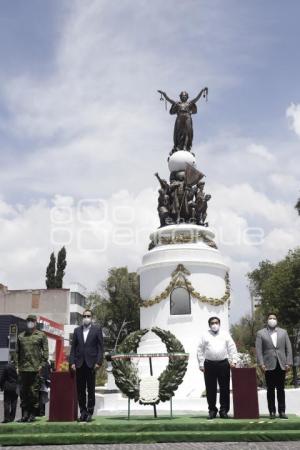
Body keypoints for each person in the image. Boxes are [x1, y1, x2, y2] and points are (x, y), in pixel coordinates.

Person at [197, 316, 238, 419]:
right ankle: (212, 410)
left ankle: (223, 411)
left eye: (216, 322)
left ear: (219, 324)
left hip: (223, 364)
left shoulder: (225, 334)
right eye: (212, 323)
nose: (214, 324)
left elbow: (232, 347)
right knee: (210, 388)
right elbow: (200, 350)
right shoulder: (204, 335)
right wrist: (201, 364)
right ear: (209, 325)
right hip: (209, 364)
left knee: (224, 388)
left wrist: (234, 361)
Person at [256, 313, 293, 419]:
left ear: (277, 320)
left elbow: (288, 348)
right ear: (267, 320)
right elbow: (259, 350)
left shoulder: (283, 332)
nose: (272, 320)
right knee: (270, 389)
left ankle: (282, 411)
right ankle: (272, 411)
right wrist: (261, 364)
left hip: (281, 364)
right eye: (270, 318)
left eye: (274, 318)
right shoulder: (261, 333)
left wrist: (289, 362)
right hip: (268, 365)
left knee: (281, 389)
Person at [69, 309, 104, 422]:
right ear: (82, 317)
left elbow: (100, 348)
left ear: (91, 317)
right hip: (79, 364)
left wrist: (99, 362)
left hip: (91, 364)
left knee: (91, 389)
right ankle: (82, 412)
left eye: (88, 316)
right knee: (80, 390)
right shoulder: (77, 331)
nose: (86, 318)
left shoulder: (97, 330)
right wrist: (72, 362)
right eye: (84, 316)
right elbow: (73, 348)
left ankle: (90, 412)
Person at [16, 314, 49, 422]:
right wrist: (17, 366)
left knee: (33, 392)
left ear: (35, 322)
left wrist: (42, 365)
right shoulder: (21, 336)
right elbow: (16, 352)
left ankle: (32, 414)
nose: (30, 322)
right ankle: (24, 414)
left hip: (35, 368)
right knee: (24, 392)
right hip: (23, 368)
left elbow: (45, 351)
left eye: (32, 320)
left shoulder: (41, 335)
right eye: (28, 320)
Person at [157, 88, 208, 152]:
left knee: (188, 132)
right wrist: (164, 94)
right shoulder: (177, 103)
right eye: (182, 96)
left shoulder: (190, 103)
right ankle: (178, 146)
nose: (184, 97)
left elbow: (197, 98)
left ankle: (186, 147)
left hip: (187, 118)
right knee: (179, 132)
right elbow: (169, 100)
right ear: (180, 97)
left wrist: (202, 91)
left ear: (187, 97)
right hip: (179, 118)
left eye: (185, 96)